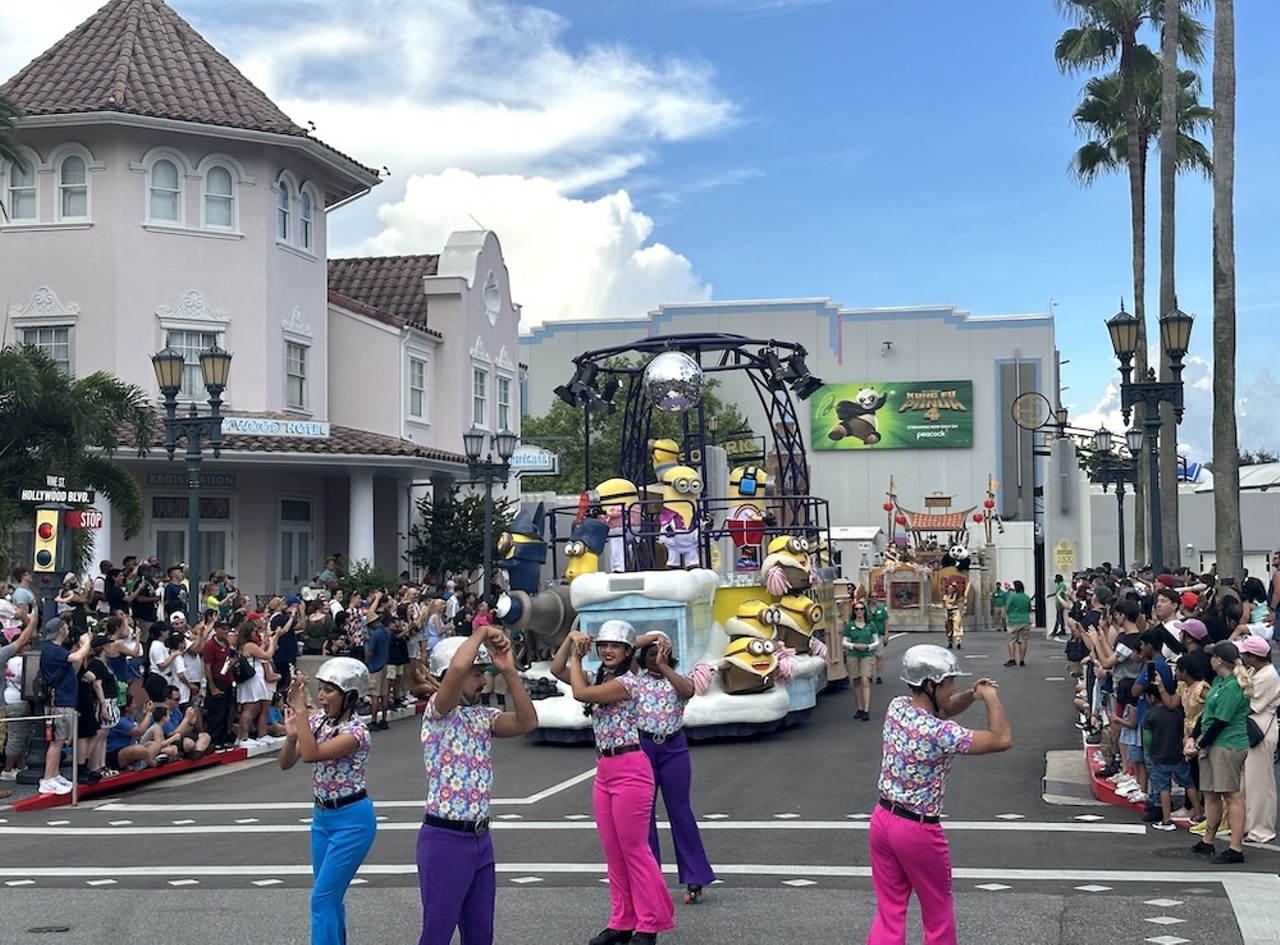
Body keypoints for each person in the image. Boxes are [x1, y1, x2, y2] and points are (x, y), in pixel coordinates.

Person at [866, 644, 1012, 945]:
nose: (953, 687)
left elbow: (944, 707)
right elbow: (1001, 739)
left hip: (882, 819)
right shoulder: (940, 734)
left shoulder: (898, 707)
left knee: (890, 911)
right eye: (949, 682)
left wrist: (971, 695)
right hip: (917, 829)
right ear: (931, 684)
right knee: (938, 911)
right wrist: (990, 697)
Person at [552, 621, 675, 945]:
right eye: (602, 644)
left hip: (631, 768)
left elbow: (579, 692)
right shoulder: (599, 677)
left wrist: (578, 657)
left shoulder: (628, 682)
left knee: (635, 850)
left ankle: (649, 925)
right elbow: (555, 668)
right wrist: (570, 638)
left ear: (627, 652)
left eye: (615, 646)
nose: (607, 650)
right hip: (604, 769)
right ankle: (622, 921)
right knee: (613, 851)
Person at [416, 629, 538, 945]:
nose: (483, 681)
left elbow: (527, 722)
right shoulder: (438, 712)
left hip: (480, 839)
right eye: (478, 673)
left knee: (480, 934)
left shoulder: (482, 716)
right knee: (436, 934)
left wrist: (510, 671)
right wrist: (482, 631)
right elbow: (457, 670)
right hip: (445, 839)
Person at [279, 658, 376, 945]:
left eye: (329, 691)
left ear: (350, 695)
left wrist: (300, 710)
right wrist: (291, 737)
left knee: (321, 899)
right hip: (322, 818)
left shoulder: (357, 732)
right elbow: (287, 762)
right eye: (319, 690)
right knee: (330, 899)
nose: (321, 697)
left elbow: (312, 755)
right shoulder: (318, 720)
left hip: (352, 821)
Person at [632, 633, 715, 905]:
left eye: (661, 652)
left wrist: (665, 665)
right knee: (644, 816)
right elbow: (627, 643)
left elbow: (689, 691)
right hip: (643, 748)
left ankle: (695, 877)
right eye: (650, 654)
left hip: (674, 749)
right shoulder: (634, 679)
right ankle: (649, 878)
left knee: (680, 811)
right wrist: (654, 637)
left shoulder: (678, 679)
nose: (655, 657)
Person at [1188, 641, 1252, 864]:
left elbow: (1220, 721)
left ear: (1218, 660)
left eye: (1212, 656)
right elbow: (1207, 714)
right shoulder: (1219, 681)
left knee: (1231, 794)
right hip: (1214, 744)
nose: (1209, 659)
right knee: (1212, 793)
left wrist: (1199, 744)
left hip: (1227, 744)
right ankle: (1208, 841)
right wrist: (1193, 737)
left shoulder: (1233, 686)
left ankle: (1236, 848)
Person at [38, 617, 93, 795]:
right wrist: (86, 643)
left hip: (65, 699)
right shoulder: (52, 650)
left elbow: (74, 664)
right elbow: (77, 656)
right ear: (62, 630)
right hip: (59, 701)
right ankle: (48, 778)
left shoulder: (56, 651)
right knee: (57, 741)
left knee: (60, 740)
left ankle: (54, 774)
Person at [1237, 635, 1280, 844]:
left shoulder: (1268, 676)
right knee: (1247, 781)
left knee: (1260, 783)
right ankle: (1247, 825)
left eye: (1245, 653)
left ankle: (1261, 828)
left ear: (1253, 657)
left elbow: (1250, 704)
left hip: (1261, 729)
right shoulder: (1257, 670)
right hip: (1253, 728)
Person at [842, 599, 878, 721]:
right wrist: (854, 646)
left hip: (866, 654)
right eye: (856, 609)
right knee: (856, 681)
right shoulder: (850, 625)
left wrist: (868, 647)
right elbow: (844, 641)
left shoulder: (870, 625)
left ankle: (866, 710)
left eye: (861, 609)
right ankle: (859, 708)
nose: (859, 611)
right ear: (854, 611)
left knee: (865, 680)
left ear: (864, 611)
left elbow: (876, 641)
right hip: (853, 654)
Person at [1003, 579, 1033, 667]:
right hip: (1025, 620)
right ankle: (1022, 660)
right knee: (1023, 641)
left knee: (1011, 641)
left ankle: (1012, 659)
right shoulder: (1026, 597)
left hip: (1013, 621)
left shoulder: (1012, 597)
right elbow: (1029, 609)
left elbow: (1007, 608)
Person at [1052, 573, 1070, 637]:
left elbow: (1061, 592)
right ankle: (1062, 629)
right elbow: (1057, 593)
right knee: (1060, 617)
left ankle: (1056, 630)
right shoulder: (1058, 584)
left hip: (1060, 603)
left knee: (1059, 617)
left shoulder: (1062, 584)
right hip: (1058, 603)